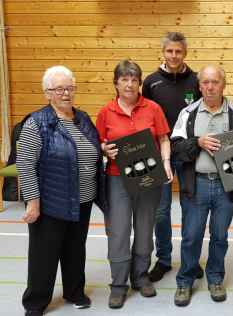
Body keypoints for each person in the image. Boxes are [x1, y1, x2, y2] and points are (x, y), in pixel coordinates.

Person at [17, 65, 107, 316]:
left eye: (70, 88)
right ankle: (35, 303)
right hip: (51, 201)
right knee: (44, 255)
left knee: (75, 249)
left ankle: (74, 292)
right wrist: (33, 201)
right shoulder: (38, 122)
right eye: (59, 89)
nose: (66, 93)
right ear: (47, 93)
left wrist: (104, 152)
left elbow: (91, 151)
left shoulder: (83, 119)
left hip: (83, 199)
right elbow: (25, 163)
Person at [96, 60, 173, 309]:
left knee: (144, 227)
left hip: (148, 177)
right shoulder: (105, 112)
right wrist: (104, 149)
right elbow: (98, 144)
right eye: (124, 79)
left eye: (133, 79)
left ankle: (140, 276)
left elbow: (163, 138)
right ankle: (118, 285)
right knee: (118, 231)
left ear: (140, 82)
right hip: (117, 178)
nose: (129, 84)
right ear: (116, 83)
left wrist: (167, 162)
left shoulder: (153, 108)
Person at [170, 65, 233, 306]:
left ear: (223, 84)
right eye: (205, 82)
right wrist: (198, 142)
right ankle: (185, 281)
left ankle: (215, 278)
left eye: (215, 82)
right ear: (199, 85)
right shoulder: (188, 113)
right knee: (191, 236)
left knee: (220, 236)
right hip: (197, 185)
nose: (210, 87)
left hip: (226, 187)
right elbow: (176, 148)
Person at [142, 32, 202, 282]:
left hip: (188, 153)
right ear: (163, 52)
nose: (174, 56)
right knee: (161, 211)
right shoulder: (151, 82)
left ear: (184, 53)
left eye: (178, 51)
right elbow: (143, 115)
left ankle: (191, 260)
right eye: (170, 51)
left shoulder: (197, 80)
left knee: (191, 209)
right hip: (158, 154)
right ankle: (164, 259)